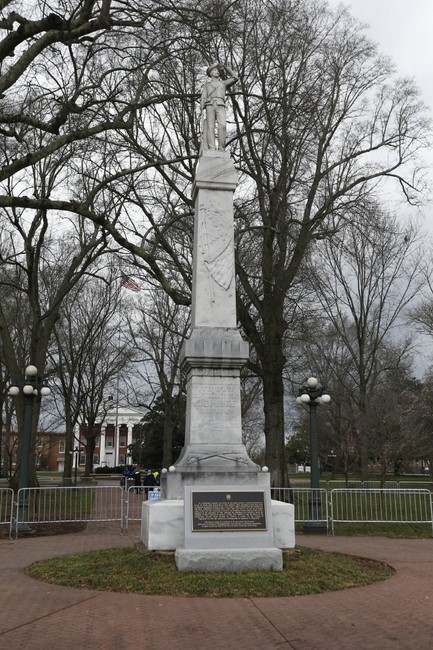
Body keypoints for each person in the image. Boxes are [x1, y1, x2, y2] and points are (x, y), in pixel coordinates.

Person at [200, 62, 238, 151]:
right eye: (214, 70)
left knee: (223, 126)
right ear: (211, 73)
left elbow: (235, 78)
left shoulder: (223, 83)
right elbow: (203, 97)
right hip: (210, 105)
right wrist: (202, 104)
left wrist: (226, 68)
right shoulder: (207, 85)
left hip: (220, 104)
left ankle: (221, 148)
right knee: (210, 127)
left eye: (217, 70)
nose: (217, 71)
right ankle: (212, 148)